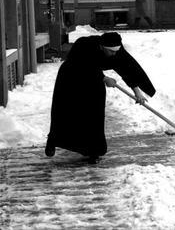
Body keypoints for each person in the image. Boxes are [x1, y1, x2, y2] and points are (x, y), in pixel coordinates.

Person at [45, 32, 156, 164]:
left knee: (94, 113)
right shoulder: (83, 44)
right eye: (111, 52)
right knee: (66, 112)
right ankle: (53, 140)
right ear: (102, 47)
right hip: (71, 79)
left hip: (94, 80)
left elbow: (128, 68)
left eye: (116, 51)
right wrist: (104, 78)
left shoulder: (116, 50)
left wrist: (137, 91)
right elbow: (82, 66)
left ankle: (93, 150)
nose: (114, 54)